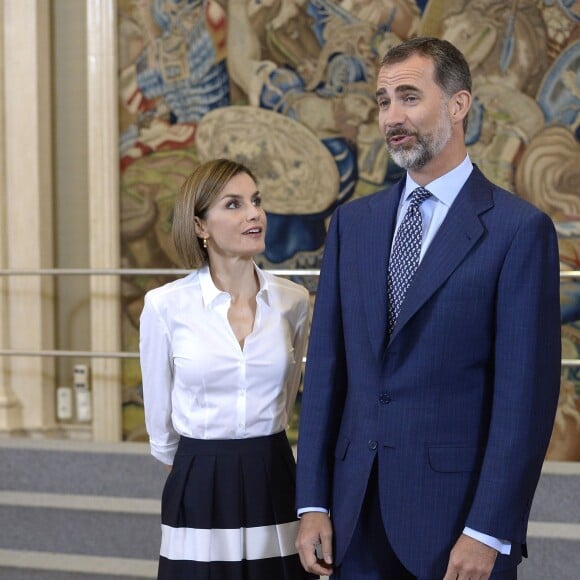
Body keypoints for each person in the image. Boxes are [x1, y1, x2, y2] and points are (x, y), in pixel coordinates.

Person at [295, 37, 561, 580]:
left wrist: (488, 529)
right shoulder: (353, 224)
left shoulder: (518, 231)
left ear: (458, 105)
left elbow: (524, 402)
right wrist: (312, 503)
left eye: (409, 97)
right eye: (383, 100)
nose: (392, 116)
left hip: (456, 529)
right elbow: (325, 375)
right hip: (351, 519)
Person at [139, 158, 313, 579]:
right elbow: (160, 425)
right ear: (200, 226)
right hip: (198, 476)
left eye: (256, 201)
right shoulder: (165, 305)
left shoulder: (294, 301)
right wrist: (198, 464)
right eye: (233, 204)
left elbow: (289, 393)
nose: (254, 213)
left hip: (273, 470)